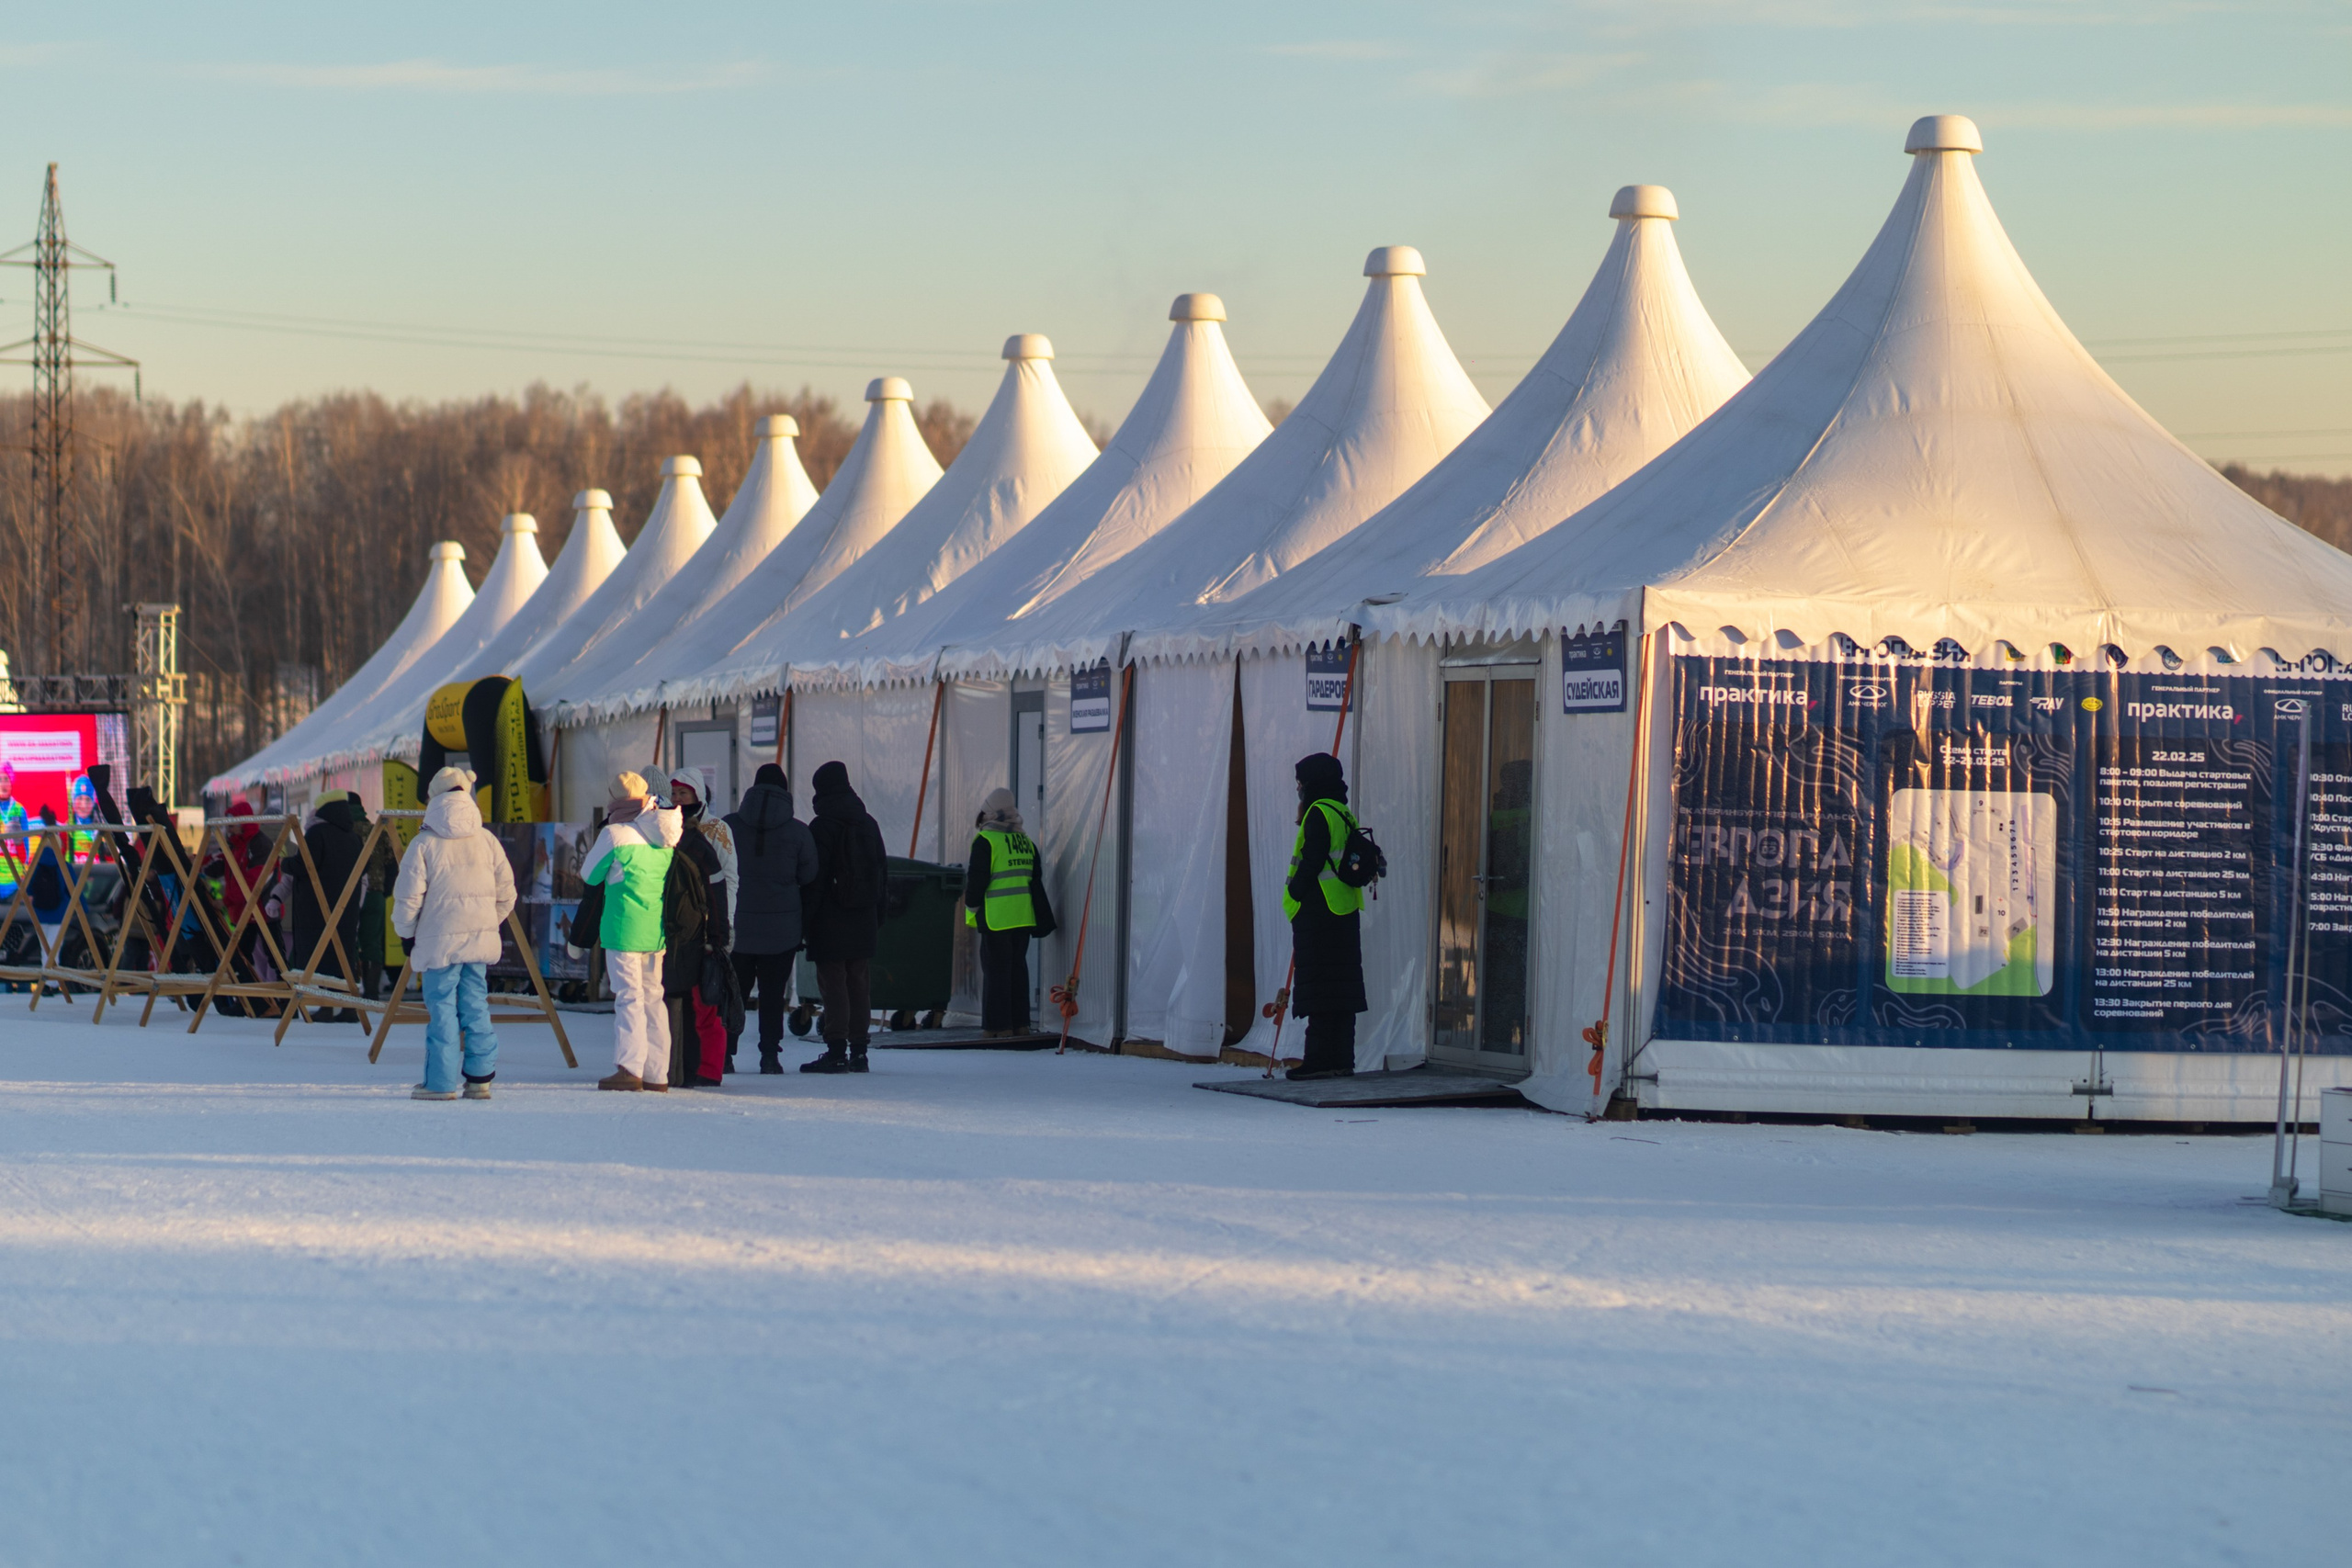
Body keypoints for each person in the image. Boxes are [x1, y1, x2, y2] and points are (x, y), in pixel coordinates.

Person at [390, 767, 516, 1100]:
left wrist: (407, 934)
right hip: (479, 942)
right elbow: (507, 894)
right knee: (476, 1003)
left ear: (434, 798)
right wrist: (487, 922)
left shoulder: (423, 843)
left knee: (442, 1008)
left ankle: (440, 1083)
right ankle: (480, 1078)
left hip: (437, 943)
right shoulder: (488, 840)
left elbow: (408, 898)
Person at [581, 771, 683, 1092]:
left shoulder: (615, 834)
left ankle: (629, 1068)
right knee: (654, 998)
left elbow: (589, 875)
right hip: (655, 930)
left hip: (623, 928)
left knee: (629, 998)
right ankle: (657, 1074)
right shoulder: (664, 832)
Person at [726, 762, 819, 1073]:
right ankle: (769, 1055)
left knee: (733, 991)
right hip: (782, 930)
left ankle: (725, 1053)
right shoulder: (799, 832)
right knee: (772, 994)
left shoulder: (730, 826)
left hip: (737, 927)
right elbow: (809, 875)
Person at [1283, 752, 1367, 1081]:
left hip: (1319, 912)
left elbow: (1313, 859)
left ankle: (1317, 1061)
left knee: (1318, 989)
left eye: (1301, 782)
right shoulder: (1342, 811)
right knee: (1341, 991)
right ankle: (1342, 1059)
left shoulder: (1317, 813)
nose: (1299, 788)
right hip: (1344, 910)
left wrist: (1296, 892)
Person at [800, 760, 887, 1074]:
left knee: (833, 983)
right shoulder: (868, 823)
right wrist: (878, 914)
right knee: (859, 983)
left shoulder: (822, 826)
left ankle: (836, 1051)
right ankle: (860, 1053)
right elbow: (882, 872)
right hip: (863, 916)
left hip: (830, 918)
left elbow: (814, 880)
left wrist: (805, 922)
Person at [966, 786, 1054, 1036]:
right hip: (1023, 917)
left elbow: (977, 880)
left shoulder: (986, 841)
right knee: (1017, 970)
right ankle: (1021, 1024)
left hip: (997, 917)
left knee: (995, 972)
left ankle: (998, 1027)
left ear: (990, 813)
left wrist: (971, 906)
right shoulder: (1025, 842)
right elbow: (1035, 878)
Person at [663, 770, 732, 1088]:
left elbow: (723, 884)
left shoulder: (713, 834)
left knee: (704, 1006)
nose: (678, 799)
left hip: (702, 933)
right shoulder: (664, 831)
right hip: (674, 934)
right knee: (679, 1004)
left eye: (684, 794)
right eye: (674, 793)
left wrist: (720, 935)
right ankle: (681, 1067)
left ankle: (707, 1070)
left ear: (698, 797)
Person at [290, 791, 367, 1021]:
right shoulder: (353, 837)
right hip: (346, 906)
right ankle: (348, 1006)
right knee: (343, 953)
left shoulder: (317, 833)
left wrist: (285, 863)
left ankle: (325, 1005)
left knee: (320, 954)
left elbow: (305, 865)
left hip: (317, 907)